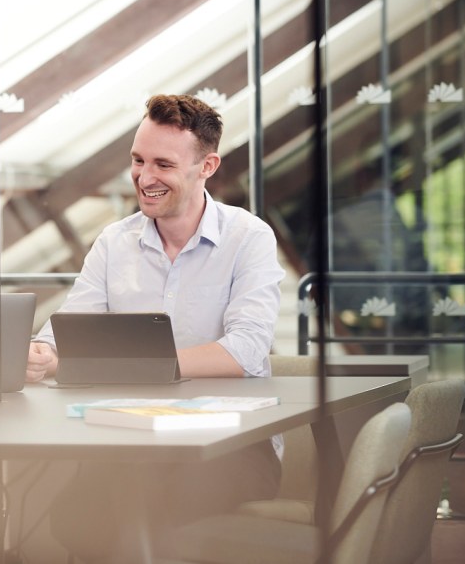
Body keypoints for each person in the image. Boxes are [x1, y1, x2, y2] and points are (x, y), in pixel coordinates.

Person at [27, 94, 286, 559]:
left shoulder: (249, 239)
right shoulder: (114, 242)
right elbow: (64, 333)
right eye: (138, 160)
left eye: (163, 164)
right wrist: (43, 355)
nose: (145, 178)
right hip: (128, 441)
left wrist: (138, 366)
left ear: (207, 166)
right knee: (75, 515)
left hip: (231, 446)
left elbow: (244, 352)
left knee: (150, 504)